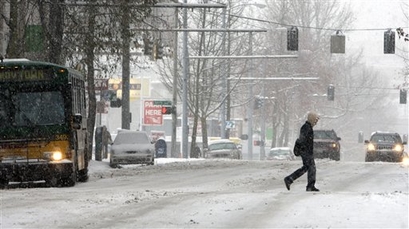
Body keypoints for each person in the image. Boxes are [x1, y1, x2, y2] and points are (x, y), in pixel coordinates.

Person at [284, 111, 320, 192]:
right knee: (309, 168)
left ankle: (308, 185)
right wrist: (304, 150)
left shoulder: (308, 127)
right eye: (315, 120)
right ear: (312, 119)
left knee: (309, 168)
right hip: (306, 151)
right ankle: (290, 179)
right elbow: (302, 139)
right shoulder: (306, 127)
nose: (316, 122)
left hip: (307, 151)